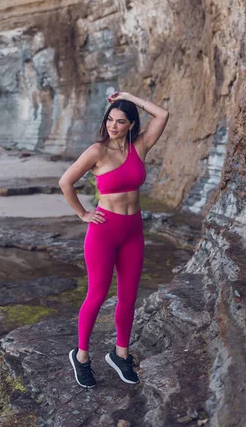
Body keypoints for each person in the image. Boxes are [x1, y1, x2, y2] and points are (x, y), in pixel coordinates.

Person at [59, 90, 169, 389]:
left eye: (121, 121)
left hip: (133, 229)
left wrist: (131, 98)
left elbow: (163, 115)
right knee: (97, 294)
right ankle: (81, 356)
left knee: (130, 295)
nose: (113, 125)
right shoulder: (97, 151)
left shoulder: (140, 147)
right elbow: (65, 181)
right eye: (110, 120)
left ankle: (121, 354)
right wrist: (83, 214)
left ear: (131, 124)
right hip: (104, 230)